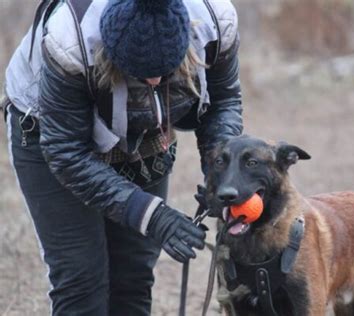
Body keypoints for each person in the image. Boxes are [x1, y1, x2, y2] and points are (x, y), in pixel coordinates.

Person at [1, 0, 242, 314]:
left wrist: (220, 175)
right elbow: (67, 152)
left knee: (133, 276)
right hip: (53, 135)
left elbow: (223, 102)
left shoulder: (215, 19)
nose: (155, 82)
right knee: (81, 280)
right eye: (142, 75)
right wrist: (153, 216)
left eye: (165, 72)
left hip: (145, 131)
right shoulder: (71, 40)